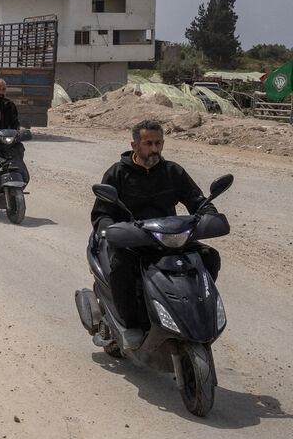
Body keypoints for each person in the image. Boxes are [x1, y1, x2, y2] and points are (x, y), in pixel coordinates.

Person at [90, 119, 221, 348]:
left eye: (158, 143)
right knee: (121, 268)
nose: (154, 149)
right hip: (132, 240)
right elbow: (102, 213)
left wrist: (209, 213)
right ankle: (132, 325)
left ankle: (195, 311)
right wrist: (108, 230)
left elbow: (196, 201)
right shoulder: (118, 173)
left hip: (168, 238)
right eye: (148, 143)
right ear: (134, 145)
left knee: (209, 257)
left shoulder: (173, 171)